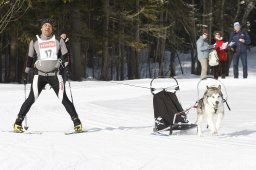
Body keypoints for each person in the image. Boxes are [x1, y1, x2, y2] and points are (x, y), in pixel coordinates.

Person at [13, 18, 83, 133]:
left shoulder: (58, 40)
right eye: (45, 25)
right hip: (39, 75)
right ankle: (18, 122)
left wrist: (66, 67)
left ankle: (77, 122)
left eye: (49, 26)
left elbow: (66, 56)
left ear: (52, 29)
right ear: (41, 28)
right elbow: (29, 58)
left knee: (63, 98)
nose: (47, 27)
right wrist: (25, 73)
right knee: (31, 98)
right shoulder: (34, 40)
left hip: (54, 75)